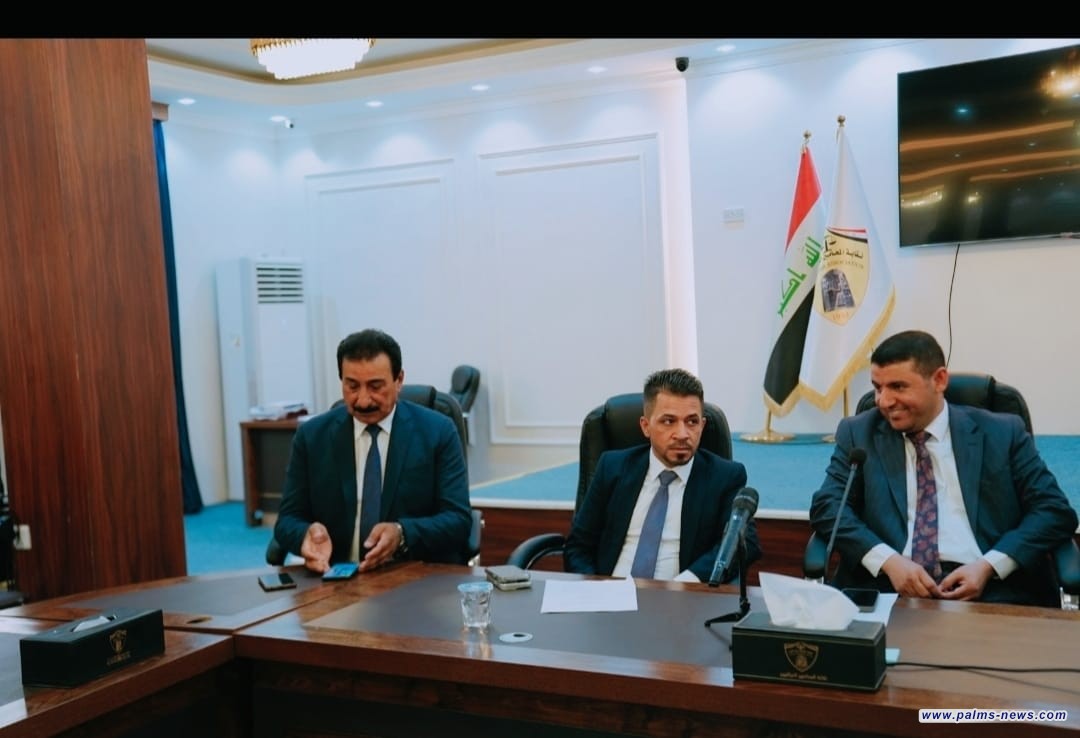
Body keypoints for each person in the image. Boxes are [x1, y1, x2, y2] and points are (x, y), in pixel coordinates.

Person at [809, 329, 1078, 606]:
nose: (884, 401)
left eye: (898, 387)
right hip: (888, 589)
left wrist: (989, 566)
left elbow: (1053, 511)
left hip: (993, 591)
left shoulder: (1001, 432)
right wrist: (888, 561)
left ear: (939, 380)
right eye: (878, 388)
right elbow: (828, 507)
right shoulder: (859, 433)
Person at [274, 329, 472, 573]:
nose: (363, 400)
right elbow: (287, 521)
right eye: (352, 386)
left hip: (413, 576)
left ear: (399, 380)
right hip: (337, 578)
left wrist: (402, 533)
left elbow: (458, 520)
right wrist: (305, 534)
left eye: (375, 386)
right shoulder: (312, 436)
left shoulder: (438, 432)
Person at [564, 368, 761, 582]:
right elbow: (578, 545)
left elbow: (744, 541)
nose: (682, 434)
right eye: (668, 421)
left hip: (681, 596)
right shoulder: (613, 467)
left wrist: (689, 583)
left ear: (702, 425)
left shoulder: (724, 477)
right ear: (646, 426)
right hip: (609, 592)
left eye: (692, 422)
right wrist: (594, 589)